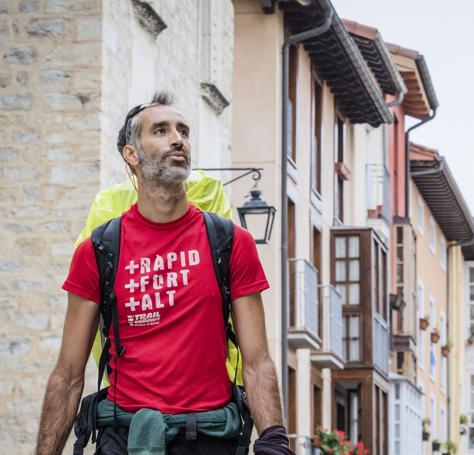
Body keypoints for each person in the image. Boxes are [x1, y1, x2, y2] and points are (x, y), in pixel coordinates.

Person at [36, 92, 289, 454]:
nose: (177, 138)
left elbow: (257, 361)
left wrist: (274, 438)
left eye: (183, 131)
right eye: (161, 130)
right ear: (131, 154)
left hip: (211, 438)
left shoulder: (230, 242)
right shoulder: (98, 250)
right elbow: (68, 374)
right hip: (125, 438)